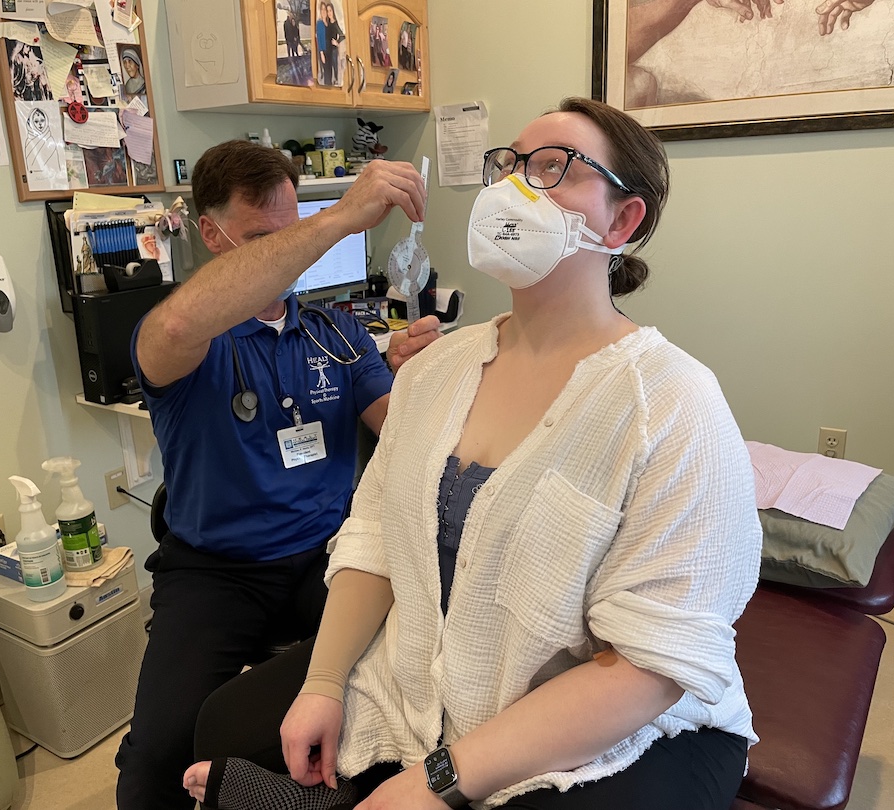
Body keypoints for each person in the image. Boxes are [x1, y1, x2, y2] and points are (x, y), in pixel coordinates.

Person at [183, 97, 763, 810]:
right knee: (223, 723)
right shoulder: (436, 370)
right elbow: (376, 542)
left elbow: (648, 667)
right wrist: (323, 684)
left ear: (623, 221)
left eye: (554, 168)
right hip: (430, 672)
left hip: (628, 717)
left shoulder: (672, 403)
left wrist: (437, 782)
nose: (515, 187)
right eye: (510, 164)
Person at [115, 140, 441, 810]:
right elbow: (179, 320)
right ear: (211, 234)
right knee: (154, 759)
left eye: (292, 231)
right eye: (268, 237)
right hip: (214, 571)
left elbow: (398, 428)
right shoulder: (184, 337)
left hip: (331, 557)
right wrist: (339, 220)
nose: (290, 252)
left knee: (405, 698)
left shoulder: (335, 334)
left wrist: (421, 380)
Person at [316, 2, 329, 85]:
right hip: (323, 51)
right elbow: (319, 39)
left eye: (325, 9)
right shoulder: (319, 23)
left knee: (329, 71)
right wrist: (321, 53)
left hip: (330, 50)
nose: (323, 11)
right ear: (320, 11)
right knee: (326, 71)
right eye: (322, 9)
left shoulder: (329, 22)